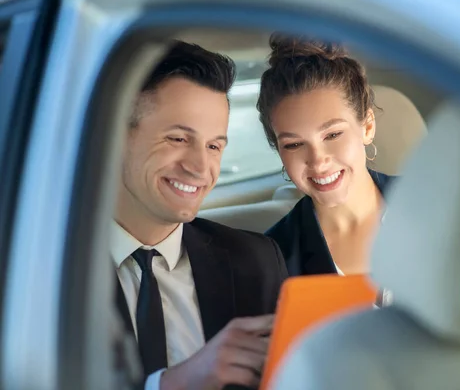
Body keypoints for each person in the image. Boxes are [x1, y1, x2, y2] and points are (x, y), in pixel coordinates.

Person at [112, 40, 288, 390]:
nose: (200, 168)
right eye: (177, 139)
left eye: (214, 146)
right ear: (115, 137)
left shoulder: (256, 262)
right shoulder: (36, 271)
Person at [258, 34, 396, 277]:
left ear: (367, 128)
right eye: (294, 144)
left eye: (332, 135)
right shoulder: (272, 260)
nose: (318, 161)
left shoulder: (435, 206)